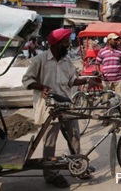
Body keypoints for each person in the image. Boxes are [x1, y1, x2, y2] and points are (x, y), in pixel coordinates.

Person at [22, 28, 93, 188]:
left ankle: (78, 166)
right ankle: (51, 174)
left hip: (66, 105)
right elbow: (26, 80)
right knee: (50, 142)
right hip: (49, 108)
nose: (68, 45)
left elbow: (71, 80)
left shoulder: (67, 61)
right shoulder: (40, 60)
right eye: (66, 42)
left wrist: (88, 81)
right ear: (56, 44)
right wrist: (42, 87)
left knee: (74, 136)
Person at [96, 33, 121, 125]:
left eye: (117, 40)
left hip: (119, 78)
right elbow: (97, 63)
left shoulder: (120, 51)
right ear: (109, 40)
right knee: (105, 100)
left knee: (119, 99)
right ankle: (106, 118)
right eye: (114, 40)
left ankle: (120, 118)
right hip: (106, 79)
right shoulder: (102, 51)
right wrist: (99, 71)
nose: (116, 41)